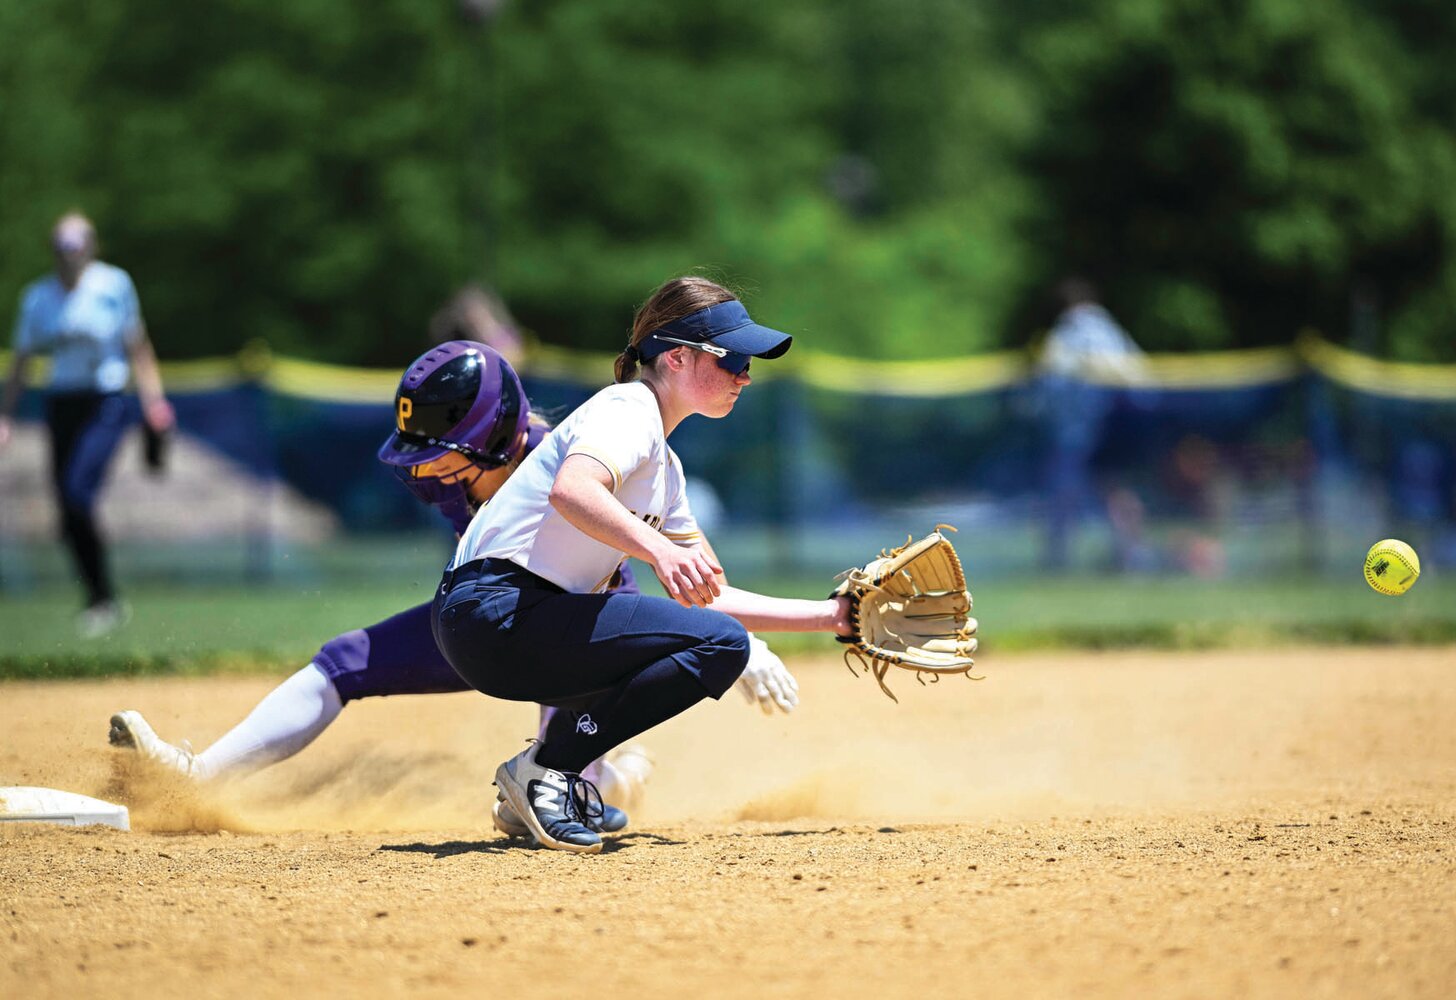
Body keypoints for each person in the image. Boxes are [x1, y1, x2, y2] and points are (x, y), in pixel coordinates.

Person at [108, 340, 800, 835]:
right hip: (496, 622)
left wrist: (740, 645)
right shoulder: (456, 476)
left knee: (575, 773)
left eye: (448, 458)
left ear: (502, 440)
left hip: (585, 619)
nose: (432, 474)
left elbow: (619, 590)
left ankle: (607, 778)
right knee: (346, 660)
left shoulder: (576, 457)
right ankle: (199, 777)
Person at [434, 275, 855, 854]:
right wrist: (658, 549)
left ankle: (541, 782)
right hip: (495, 610)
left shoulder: (667, 472)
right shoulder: (628, 407)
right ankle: (548, 771)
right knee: (722, 646)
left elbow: (710, 598)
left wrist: (836, 617)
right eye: (731, 358)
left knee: (716, 640)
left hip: (508, 626)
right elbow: (573, 490)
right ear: (677, 358)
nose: (745, 375)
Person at [0, 212, 176, 635]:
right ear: (54, 252)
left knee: (77, 493)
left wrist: (154, 400)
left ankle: (103, 598)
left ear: (90, 248)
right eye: (62, 249)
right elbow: (22, 361)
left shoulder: (113, 285)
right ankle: (101, 600)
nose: (70, 257)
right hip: (62, 401)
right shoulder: (38, 298)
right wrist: (5, 415)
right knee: (66, 508)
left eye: (76, 247)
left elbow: (138, 345)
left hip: (106, 399)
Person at [1034, 277, 1146, 571]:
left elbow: (1050, 383)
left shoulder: (1066, 334)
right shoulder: (1112, 331)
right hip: (1120, 427)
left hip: (1078, 432)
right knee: (1116, 490)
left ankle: (1059, 558)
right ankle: (1130, 554)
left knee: (1064, 492)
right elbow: (1141, 379)